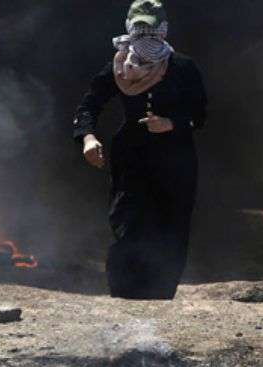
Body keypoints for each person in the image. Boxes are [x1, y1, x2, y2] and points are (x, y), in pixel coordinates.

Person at [72, 0, 207, 299]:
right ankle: (125, 292)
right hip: (132, 155)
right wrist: (88, 137)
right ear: (130, 29)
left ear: (163, 29)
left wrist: (171, 123)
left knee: (171, 225)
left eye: (152, 28)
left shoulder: (183, 67)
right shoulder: (119, 66)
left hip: (175, 158)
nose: (146, 35)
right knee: (128, 221)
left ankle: (161, 293)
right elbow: (89, 105)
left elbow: (200, 115)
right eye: (139, 28)